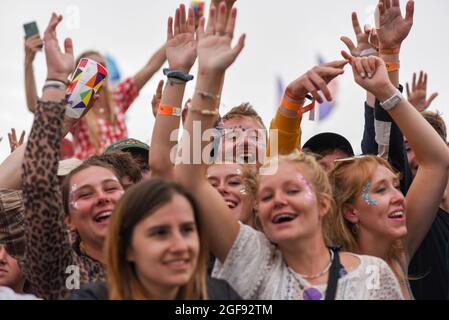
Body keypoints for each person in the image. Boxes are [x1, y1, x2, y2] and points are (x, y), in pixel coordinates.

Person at [174, 3, 404, 300]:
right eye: (267, 196)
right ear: (257, 206)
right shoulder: (250, 256)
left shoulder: (372, 273)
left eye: (293, 190)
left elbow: (385, 156)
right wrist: (207, 75)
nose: (278, 201)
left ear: (324, 204)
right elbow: (190, 177)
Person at [331, 28, 449, 300]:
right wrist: (290, 107)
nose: (399, 196)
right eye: (381, 190)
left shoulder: (397, 256)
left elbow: (437, 160)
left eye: (396, 186)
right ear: (350, 211)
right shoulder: (326, 271)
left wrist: (385, 88)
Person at [20, 13, 127, 299]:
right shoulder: (62, 269)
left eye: (111, 189)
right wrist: (54, 79)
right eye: (86, 194)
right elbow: (39, 186)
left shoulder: (157, 261)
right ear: (66, 219)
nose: (103, 197)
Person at [69, 178, 241, 300]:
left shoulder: (220, 294)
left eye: (187, 230)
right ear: (125, 248)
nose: (180, 246)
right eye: (160, 233)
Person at [24, 21, 167, 160]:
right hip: (88, 173)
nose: (99, 71)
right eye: (92, 66)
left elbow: (151, 66)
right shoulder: (75, 104)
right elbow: (34, 106)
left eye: (103, 66)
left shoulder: (118, 97)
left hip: (120, 173)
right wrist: (28, 63)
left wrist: (174, 41)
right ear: (78, 75)